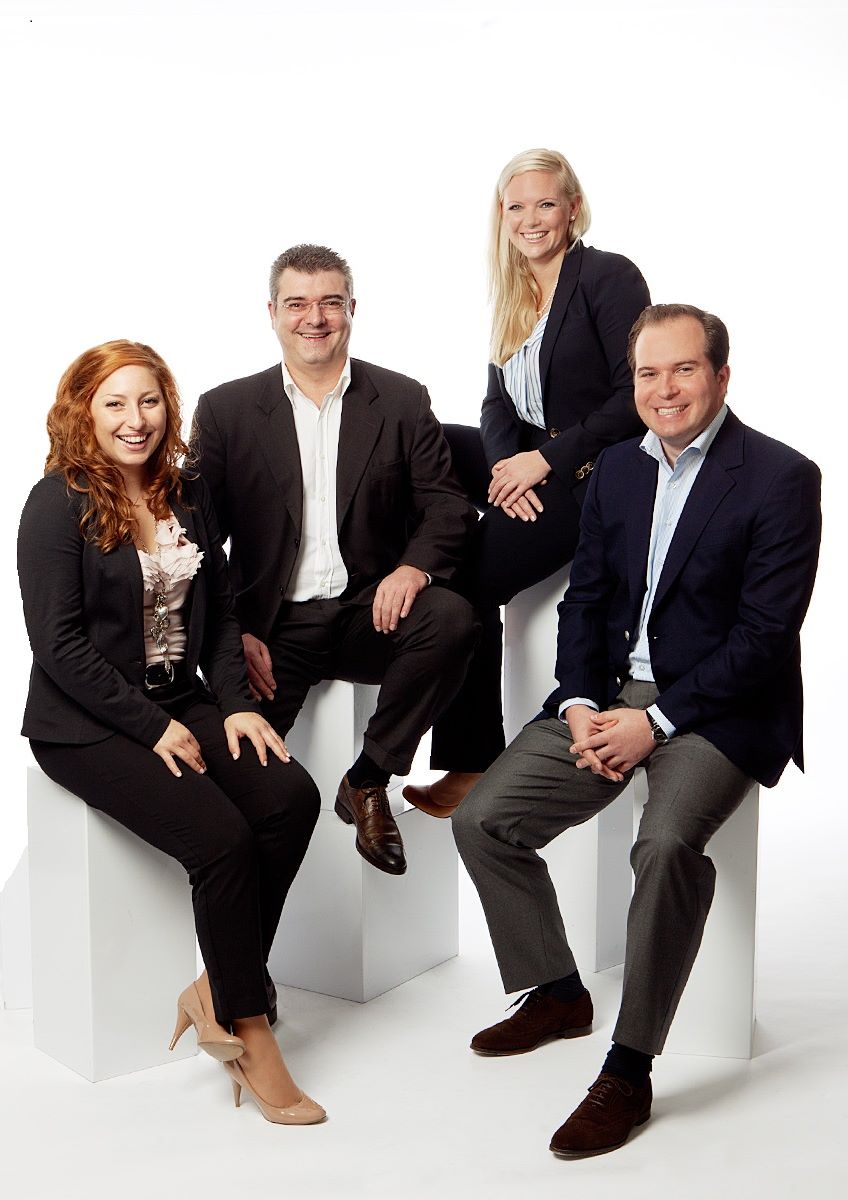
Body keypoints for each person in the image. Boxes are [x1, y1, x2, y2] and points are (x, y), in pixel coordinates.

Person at [452, 305, 821, 1158]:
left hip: (719, 707)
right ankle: (557, 991)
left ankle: (628, 1067)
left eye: (684, 370)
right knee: (483, 820)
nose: (665, 390)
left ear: (721, 376)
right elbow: (586, 601)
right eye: (649, 374)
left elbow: (765, 638)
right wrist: (581, 702)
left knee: (662, 847)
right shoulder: (617, 466)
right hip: (611, 692)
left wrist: (653, 723)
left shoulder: (780, 476)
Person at [18, 340, 325, 1126]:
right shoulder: (54, 504)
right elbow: (58, 646)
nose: (136, 419)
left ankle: (218, 987)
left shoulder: (186, 492)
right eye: (115, 403)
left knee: (290, 798)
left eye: (149, 400)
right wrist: (151, 726)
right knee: (221, 840)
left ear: (168, 407)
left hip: (181, 700)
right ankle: (247, 1030)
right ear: (83, 411)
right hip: (85, 723)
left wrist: (235, 706)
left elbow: (218, 614)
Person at [191, 243, 478, 877]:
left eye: (330, 302)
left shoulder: (401, 399)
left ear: (352, 309)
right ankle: (238, 926)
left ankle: (369, 778)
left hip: (368, 613)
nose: (314, 318)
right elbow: (198, 539)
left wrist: (412, 568)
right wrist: (233, 631)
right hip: (273, 631)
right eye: (297, 303)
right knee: (241, 781)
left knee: (453, 618)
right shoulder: (225, 411)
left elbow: (446, 506)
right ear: (272, 313)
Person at [403, 148, 651, 818]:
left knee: (463, 582)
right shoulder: (513, 293)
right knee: (419, 439)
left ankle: (471, 763)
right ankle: (380, 569)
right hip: (532, 461)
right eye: (517, 206)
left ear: (573, 208)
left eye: (546, 204)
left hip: (596, 471)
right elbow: (496, 405)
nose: (531, 219)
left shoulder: (608, 277)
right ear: (501, 214)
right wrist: (503, 470)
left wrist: (543, 463)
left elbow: (634, 399)